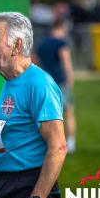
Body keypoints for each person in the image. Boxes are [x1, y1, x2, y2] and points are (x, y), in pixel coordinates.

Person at [0, 12, 67, 198]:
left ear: (17, 45)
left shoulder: (39, 84)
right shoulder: (11, 82)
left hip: (27, 188)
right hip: (4, 186)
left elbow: (58, 147)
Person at [35, 19, 76, 153]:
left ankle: (50, 142)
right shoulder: (61, 43)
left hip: (46, 83)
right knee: (68, 112)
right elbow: (66, 61)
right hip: (60, 82)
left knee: (48, 116)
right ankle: (70, 143)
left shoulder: (43, 43)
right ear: (61, 27)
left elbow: (35, 61)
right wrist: (70, 78)